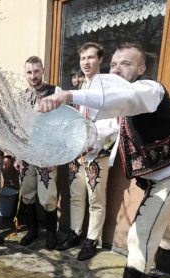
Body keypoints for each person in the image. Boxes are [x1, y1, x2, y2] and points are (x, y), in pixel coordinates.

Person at [39, 43, 170, 278]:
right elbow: (105, 127)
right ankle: (168, 270)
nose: (117, 69)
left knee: (140, 235)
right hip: (159, 178)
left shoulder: (150, 90)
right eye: (113, 64)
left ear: (141, 69)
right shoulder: (124, 102)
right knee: (160, 222)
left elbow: (127, 98)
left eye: (125, 64)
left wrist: (67, 94)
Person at [57, 42, 119, 262]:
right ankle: (75, 232)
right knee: (76, 195)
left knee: (95, 199)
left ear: (100, 60)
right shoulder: (82, 88)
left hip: (96, 152)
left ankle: (91, 240)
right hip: (77, 152)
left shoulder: (106, 87)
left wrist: (92, 141)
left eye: (91, 58)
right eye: (83, 58)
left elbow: (113, 123)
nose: (86, 62)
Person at [14, 56, 61, 249]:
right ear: (25, 73)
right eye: (29, 72)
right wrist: (17, 155)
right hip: (26, 154)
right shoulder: (22, 96)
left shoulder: (55, 92)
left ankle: (51, 234)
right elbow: (19, 128)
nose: (33, 76)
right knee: (27, 194)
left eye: (36, 71)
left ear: (43, 70)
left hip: (47, 154)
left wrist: (57, 155)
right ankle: (32, 230)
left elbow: (62, 125)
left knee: (48, 197)